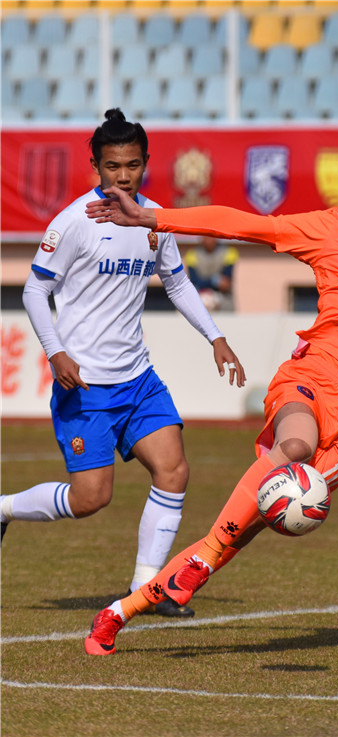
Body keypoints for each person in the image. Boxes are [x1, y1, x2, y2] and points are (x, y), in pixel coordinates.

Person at [81, 124, 338, 654]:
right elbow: (242, 224)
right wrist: (153, 218)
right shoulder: (328, 229)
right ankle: (201, 559)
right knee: (293, 449)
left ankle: (122, 610)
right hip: (313, 380)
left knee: (258, 518)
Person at [0, 109, 246, 619]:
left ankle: (146, 590)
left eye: (132, 165)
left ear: (146, 163)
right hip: (86, 385)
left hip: (138, 380)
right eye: (112, 166)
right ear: (96, 166)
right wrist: (56, 352)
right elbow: (34, 291)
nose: (123, 176)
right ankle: (4, 508)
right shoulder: (74, 222)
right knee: (91, 499)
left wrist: (216, 337)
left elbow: (177, 283)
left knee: (173, 470)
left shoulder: (154, 220)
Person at [184, 235, 239, 312]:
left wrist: (211, 282)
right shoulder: (191, 254)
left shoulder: (229, 252)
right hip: (200, 299)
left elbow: (225, 284)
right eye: (206, 236)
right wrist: (215, 280)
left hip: (224, 302)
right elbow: (195, 282)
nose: (209, 240)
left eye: (211, 236)